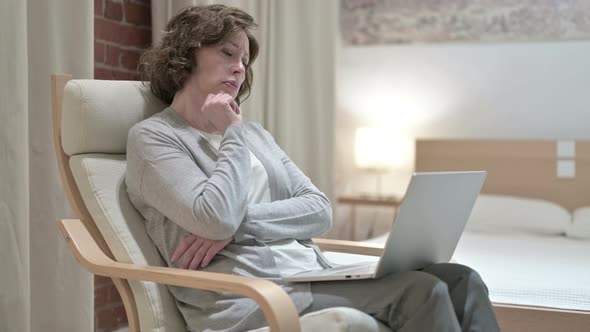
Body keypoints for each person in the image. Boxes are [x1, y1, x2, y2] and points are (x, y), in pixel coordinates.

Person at [126, 4, 500, 332]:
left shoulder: (255, 135)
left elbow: (318, 210)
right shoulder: (155, 138)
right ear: (188, 53)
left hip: (308, 274)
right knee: (423, 292)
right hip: (248, 296)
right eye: (228, 53)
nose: (240, 69)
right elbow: (214, 219)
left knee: (463, 280)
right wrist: (231, 135)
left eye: (244, 61)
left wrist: (237, 227)